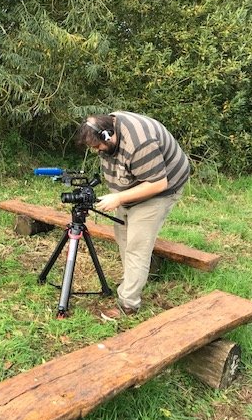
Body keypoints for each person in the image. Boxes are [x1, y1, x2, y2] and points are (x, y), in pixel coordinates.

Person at [76, 111, 190, 320]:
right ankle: (134, 277)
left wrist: (118, 199)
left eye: (97, 147)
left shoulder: (139, 143)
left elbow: (157, 183)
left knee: (137, 245)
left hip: (163, 186)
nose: (96, 152)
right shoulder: (108, 133)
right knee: (123, 235)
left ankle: (128, 304)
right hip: (138, 182)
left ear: (108, 135)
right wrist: (119, 197)